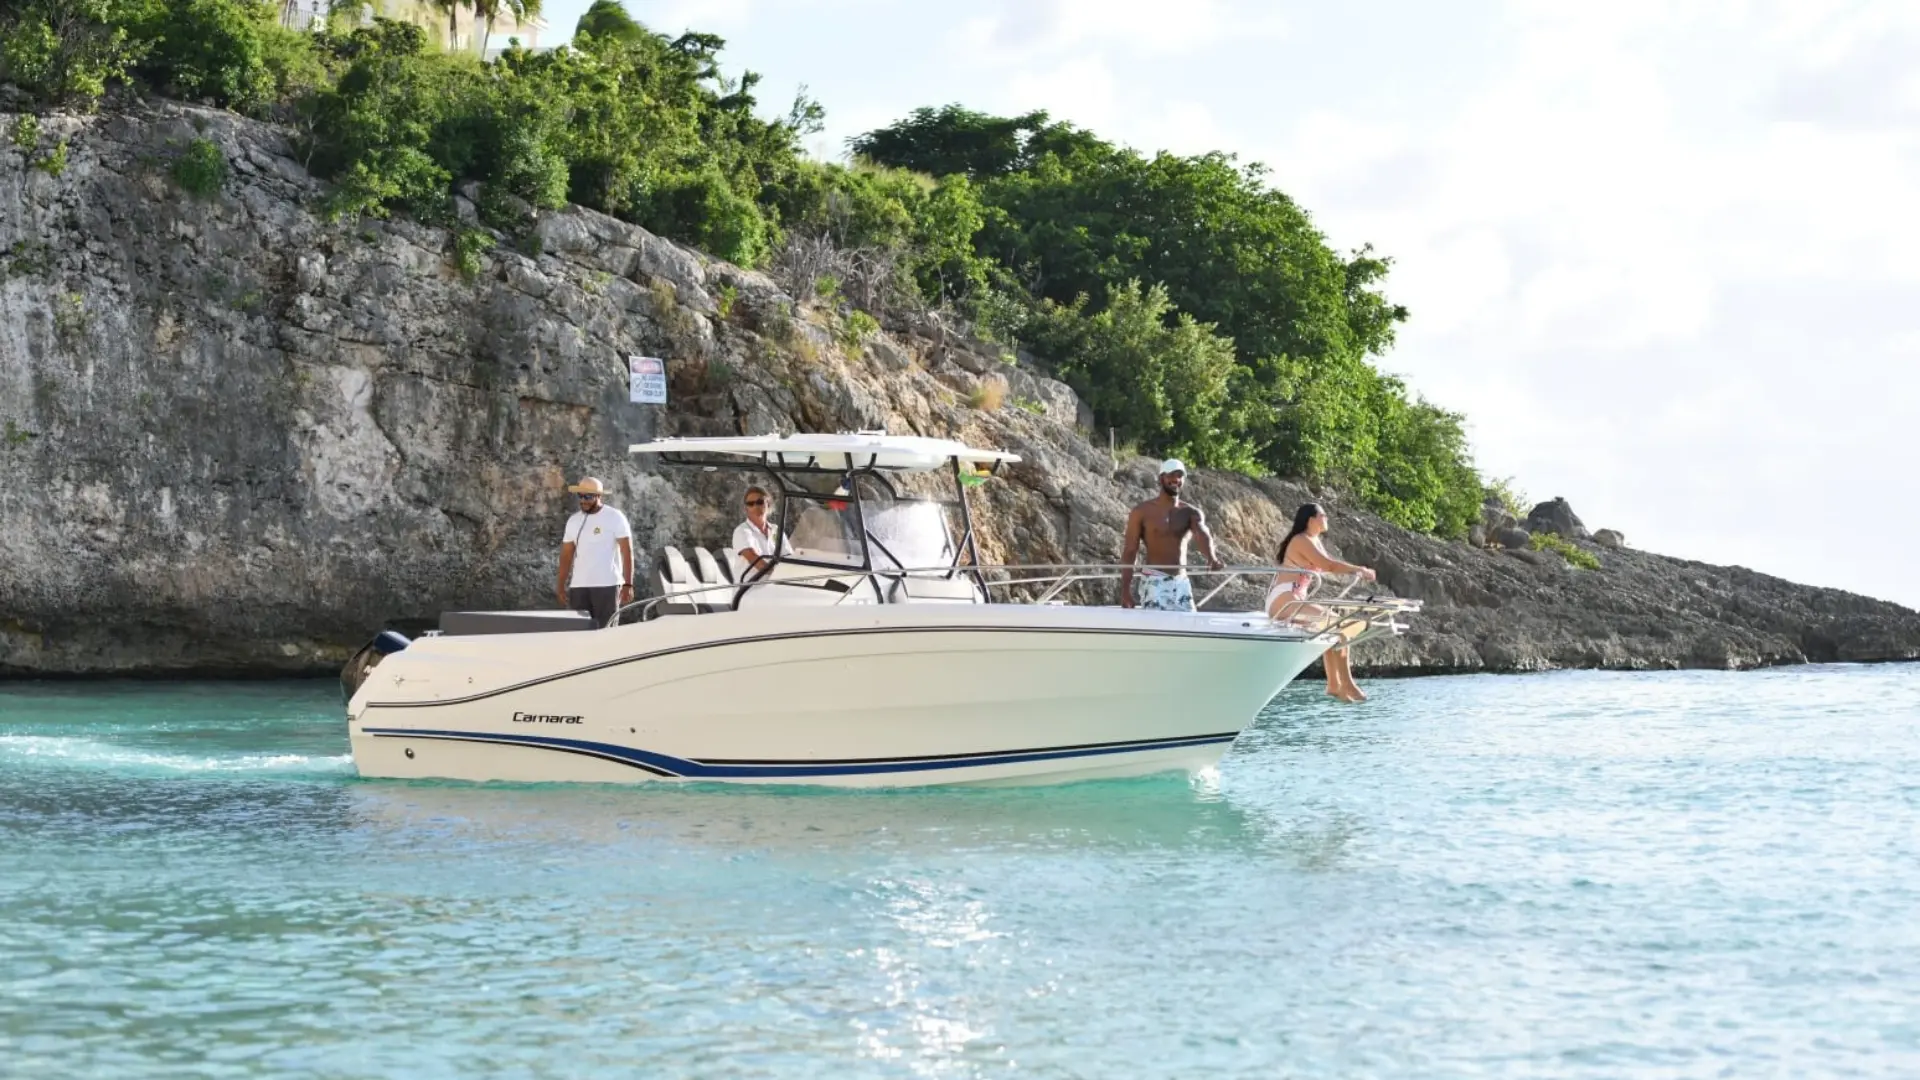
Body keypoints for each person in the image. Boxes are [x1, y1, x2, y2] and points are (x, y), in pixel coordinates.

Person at [1269, 503, 1377, 703]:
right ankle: (1347, 684)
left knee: (1333, 627)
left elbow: (1329, 565)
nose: (1326, 518)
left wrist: (1355, 570)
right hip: (1283, 599)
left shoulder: (1315, 540)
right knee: (1339, 625)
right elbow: (1327, 565)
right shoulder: (1300, 540)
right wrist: (1359, 569)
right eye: (1323, 515)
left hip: (1295, 599)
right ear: (1311, 519)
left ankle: (1334, 685)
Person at [1118, 459, 1223, 611]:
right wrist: (1125, 591)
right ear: (1161, 479)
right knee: (1156, 630)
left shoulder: (1190, 512)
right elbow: (1130, 550)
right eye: (1171, 475)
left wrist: (1212, 558)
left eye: (1180, 476)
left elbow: (1202, 534)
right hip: (1154, 580)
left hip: (1181, 581)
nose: (1176, 479)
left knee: (1187, 629)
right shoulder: (1142, 512)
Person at [555, 477, 633, 628]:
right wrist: (560, 585)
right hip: (578, 587)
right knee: (578, 633)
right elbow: (566, 555)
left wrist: (628, 584)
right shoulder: (573, 520)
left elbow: (627, 551)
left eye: (588, 496)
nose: (583, 500)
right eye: (581, 496)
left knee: (606, 632)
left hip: (607, 586)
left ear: (599, 496)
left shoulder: (615, 517)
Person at [731, 485, 792, 581]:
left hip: (773, 588)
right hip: (750, 590)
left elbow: (788, 557)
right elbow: (754, 559)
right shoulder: (741, 531)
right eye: (750, 504)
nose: (755, 506)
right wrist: (779, 575)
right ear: (746, 509)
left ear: (768, 504)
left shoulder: (776, 530)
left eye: (760, 502)